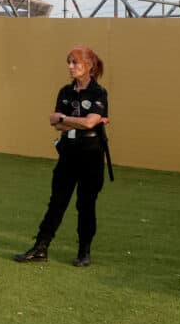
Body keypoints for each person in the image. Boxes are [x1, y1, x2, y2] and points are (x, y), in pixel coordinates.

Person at [14, 46, 111, 268]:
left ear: (89, 66)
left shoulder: (99, 93)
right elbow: (54, 123)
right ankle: (41, 247)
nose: (70, 67)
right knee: (56, 202)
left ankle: (84, 252)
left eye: (75, 63)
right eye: (69, 62)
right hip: (68, 153)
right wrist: (78, 120)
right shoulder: (65, 92)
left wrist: (65, 118)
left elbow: (84, 123)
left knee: (86, 204)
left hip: (91, 154)